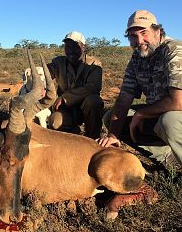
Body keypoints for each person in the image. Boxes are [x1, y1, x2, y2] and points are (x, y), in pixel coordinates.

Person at [98, 10, 182, 169]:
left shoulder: (174, 50)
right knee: (112, 117)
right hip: (162, 115)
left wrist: (142, 113)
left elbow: (178, 102)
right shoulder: (137, 58)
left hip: (175, 115)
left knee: (169, 122)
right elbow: (124, 99)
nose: (139, 40)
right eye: (133, 36)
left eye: (144, 33)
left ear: (157, 31)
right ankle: (171, 162)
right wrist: (112, 136)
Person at [47, 31, 104, 138]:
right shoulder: (59, 62)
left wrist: (65, 98)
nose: (70, 51)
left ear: (84, 47)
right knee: (55, 122)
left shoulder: (94, 64)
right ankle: (72, 135)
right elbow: (45, 72)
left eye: (75, 46)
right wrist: (36, 77)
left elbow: (93, 88)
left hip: (86, 108)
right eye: (67, 47)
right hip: (66, 109)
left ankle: (92, 139)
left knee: (94, 101)